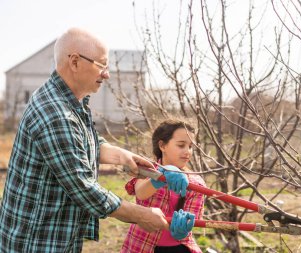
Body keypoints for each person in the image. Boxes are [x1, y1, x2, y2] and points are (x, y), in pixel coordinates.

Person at [0, 27, 188, 253]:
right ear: (75, 62)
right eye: (101, 65)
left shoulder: (70, 101)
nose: (106, 74)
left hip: (55, 232)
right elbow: (84, 189)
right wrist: (142, 215)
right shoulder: (55, 113)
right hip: (36, 240)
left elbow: (84, 141)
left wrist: (121, 156)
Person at [121, 119, 206, 253]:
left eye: (190, 146)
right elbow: (141, 192)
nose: (188, 151)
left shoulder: (196, 183)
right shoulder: (147, 169)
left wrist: (182, 230)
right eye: (181, 145)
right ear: (162, 146)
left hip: (179, 248)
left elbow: (192, 218)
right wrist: (160, 176)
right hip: (141, 245)